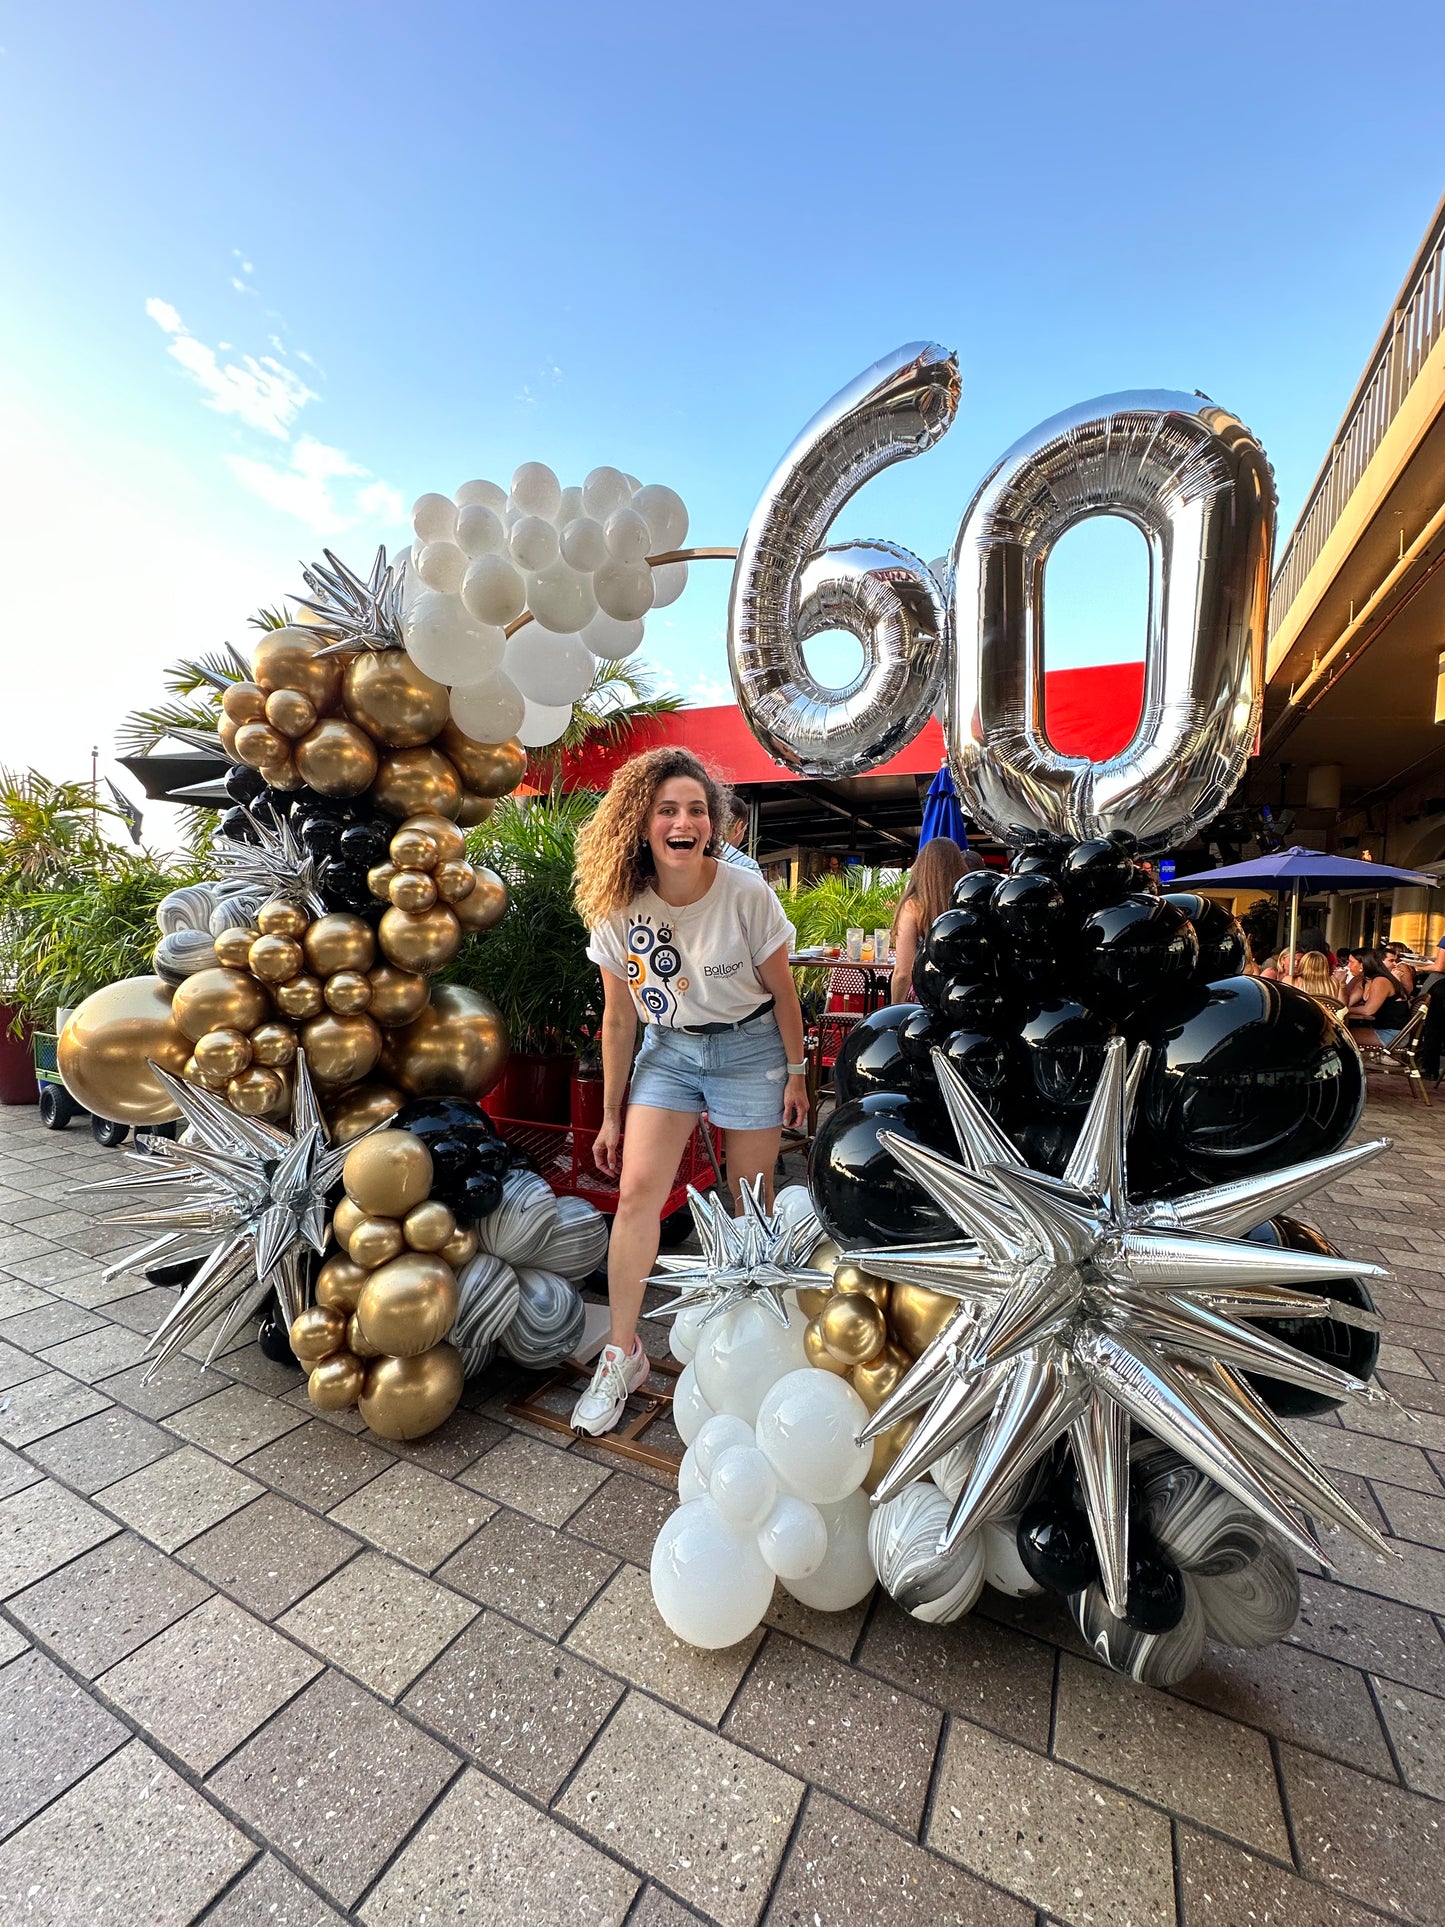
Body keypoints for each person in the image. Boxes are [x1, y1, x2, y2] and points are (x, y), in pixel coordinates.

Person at [569, 747, 809, 1436]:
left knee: (748, 1205)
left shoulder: (745, 892)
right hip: (668, 1051)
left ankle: (749, 1355)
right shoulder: (617, 904)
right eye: (668, 809)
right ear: (641, 823)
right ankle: (622, 1351)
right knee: (638, 1192)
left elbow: (784, 994)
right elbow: (618, 1018)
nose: (684, 820)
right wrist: (611, 1115)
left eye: (697, 809)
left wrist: (796, 1072)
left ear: (714, 823)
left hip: (749, 1045)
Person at [889, 838, 973, 1005]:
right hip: (965, 995)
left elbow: (903, 973)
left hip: (927, 999)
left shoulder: (914, 906)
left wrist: (894, 1008)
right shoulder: (966, 904)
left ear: (921, 867)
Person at [1343, 949, 1412, 1045]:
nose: (1348, 966)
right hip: (1378, 1028)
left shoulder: (1381, 981)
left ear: (1362, 965)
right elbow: (1345, 1004)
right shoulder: (1364, 981)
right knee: (1337, 1034)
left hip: (1393, 1034)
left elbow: (1368, 1011)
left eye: (1351, 962)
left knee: (1340, 1037)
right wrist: (1341, 984)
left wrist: (1344, 1009)